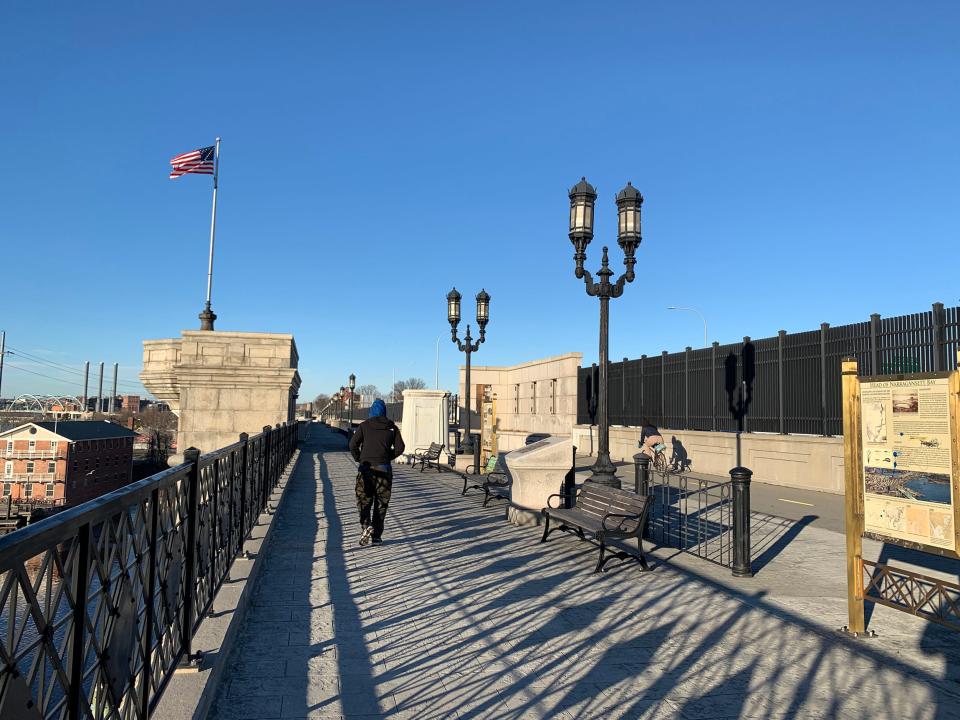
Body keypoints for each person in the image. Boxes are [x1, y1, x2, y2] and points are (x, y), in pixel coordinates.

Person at [348, 399, 405, 546]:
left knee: (364, 500)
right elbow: (400, 448)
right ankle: (377, 537)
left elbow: (353, 444)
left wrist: (359, 458)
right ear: (384, 411)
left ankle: (366, 525)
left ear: (371, 411)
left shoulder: (364, 426)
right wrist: (387, 457)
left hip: (366, 470)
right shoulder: (392, 427)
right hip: (384, 469)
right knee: (381, 503)